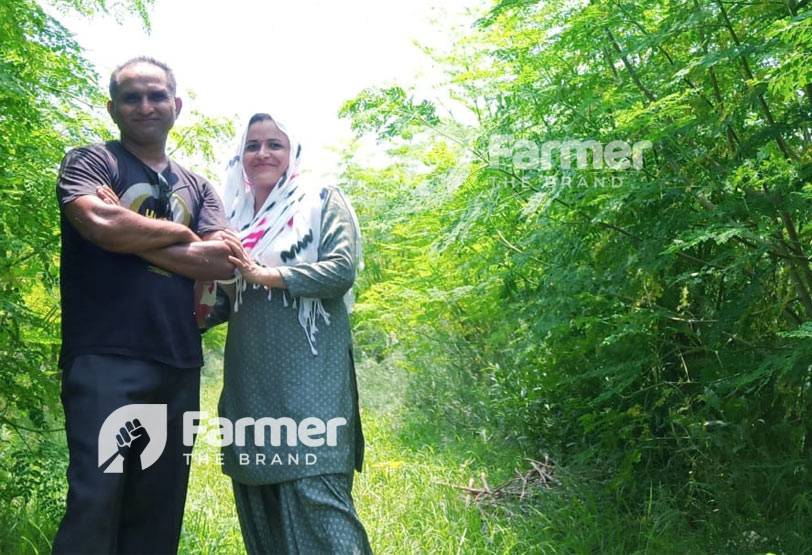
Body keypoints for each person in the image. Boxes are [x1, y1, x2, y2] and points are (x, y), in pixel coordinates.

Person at [53, 56, 241, 554]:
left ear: (175, 105)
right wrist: (183, 232)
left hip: (178, 360)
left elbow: (223, 260)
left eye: (156, 95)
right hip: (105, 358)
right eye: (131, 97)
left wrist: (135, 231)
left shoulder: (198, 185)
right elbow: (101, 225)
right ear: (112, 108)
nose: (145, 106)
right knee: (98, 498)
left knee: (158, 508)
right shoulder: (90, 162)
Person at [209, 113, 372, 554]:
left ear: (292, 151)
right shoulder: (231, 217)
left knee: (319, 495)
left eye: (274, 144)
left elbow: (340, 270)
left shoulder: (320, 199)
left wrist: (266, 275)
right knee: (259, 501)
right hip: (250, 381)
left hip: (311, 379)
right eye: (252, 145)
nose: (262, 153)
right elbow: (221, 300)